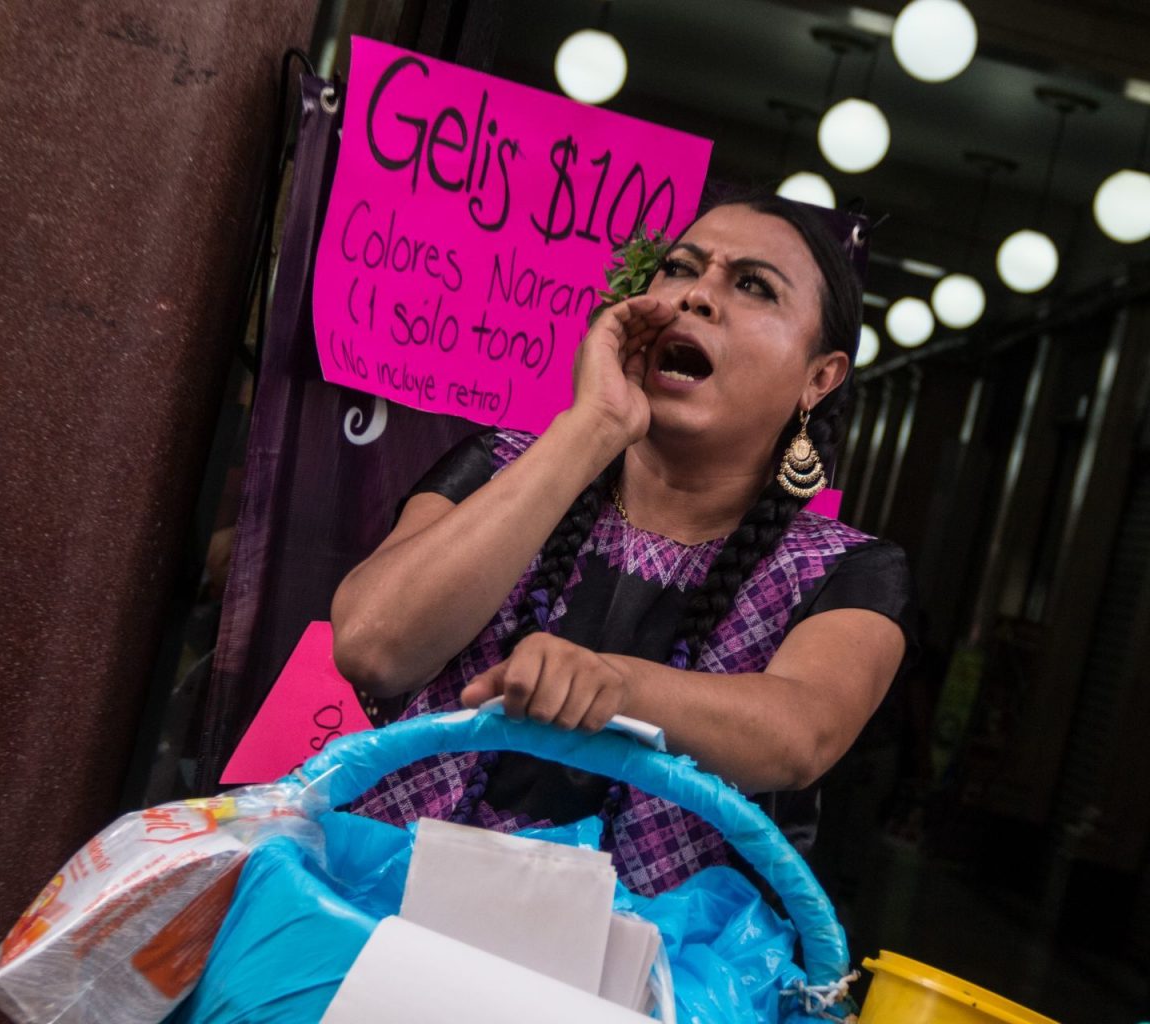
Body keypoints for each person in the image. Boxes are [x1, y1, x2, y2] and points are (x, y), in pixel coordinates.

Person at [330, 195, 915, 896]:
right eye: (679, 269)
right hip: (379, 905)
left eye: (753, 285)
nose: (697, 295)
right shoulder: (498, 466)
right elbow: (372, 646)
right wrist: (595, 426)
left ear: (819, 377)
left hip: (644, 975)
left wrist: (615, 685)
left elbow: (799, 736)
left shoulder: (846, 571)